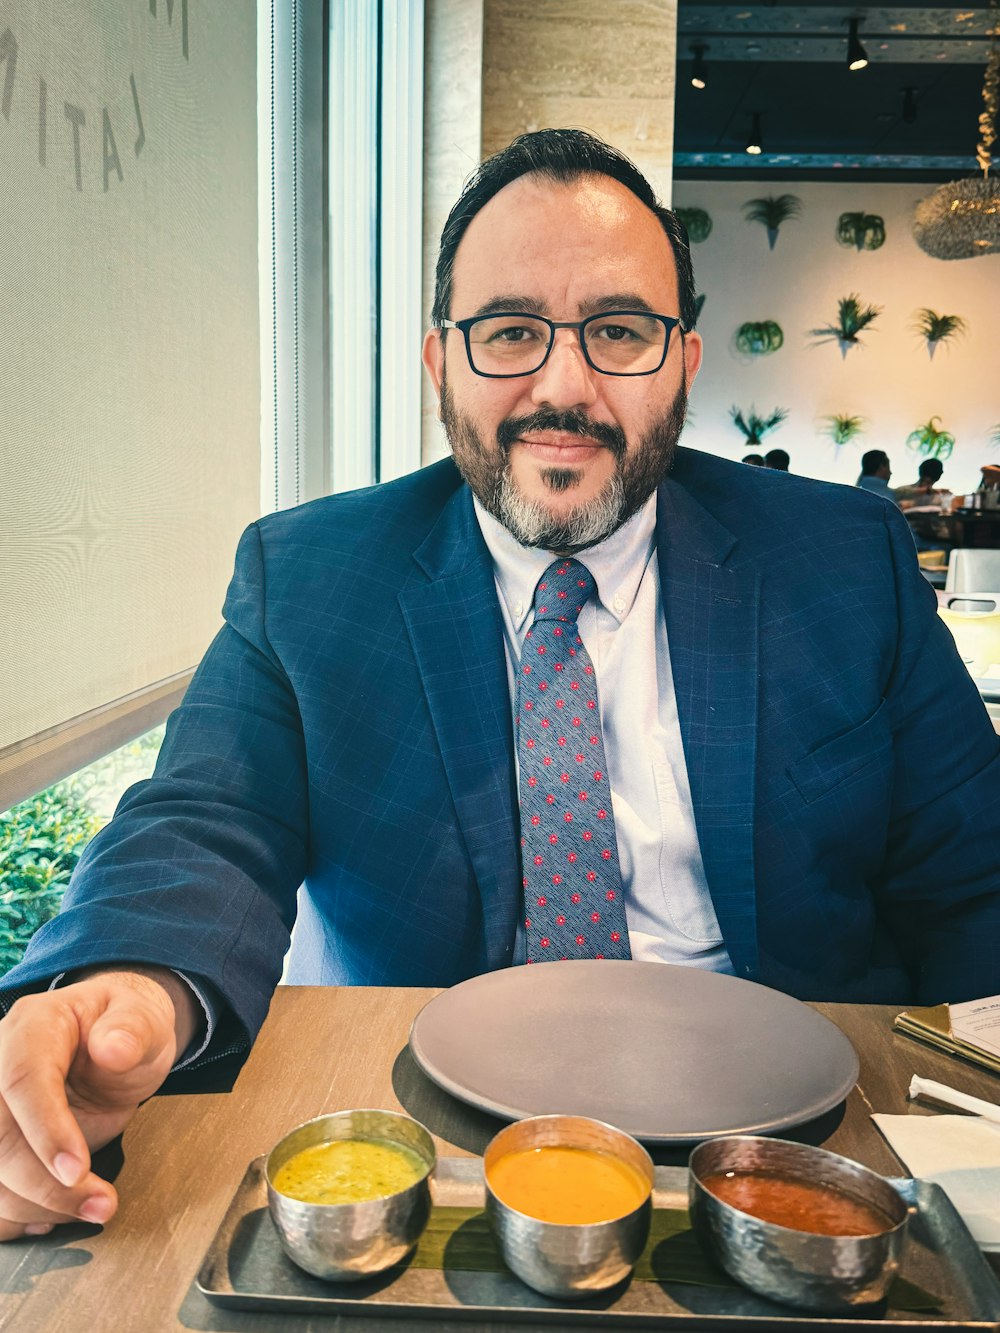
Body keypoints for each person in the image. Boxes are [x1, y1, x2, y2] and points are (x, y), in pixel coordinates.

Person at [1, 128, 998, 1240]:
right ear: (440, 363)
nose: (562, 386)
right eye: (510, 332)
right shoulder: (314, 575)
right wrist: (125, 991)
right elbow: (205, 821)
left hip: (811, 1146)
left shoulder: (842, 561)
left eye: (619, 331)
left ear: (682, 360)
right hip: (420, 1133)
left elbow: (974, 873)